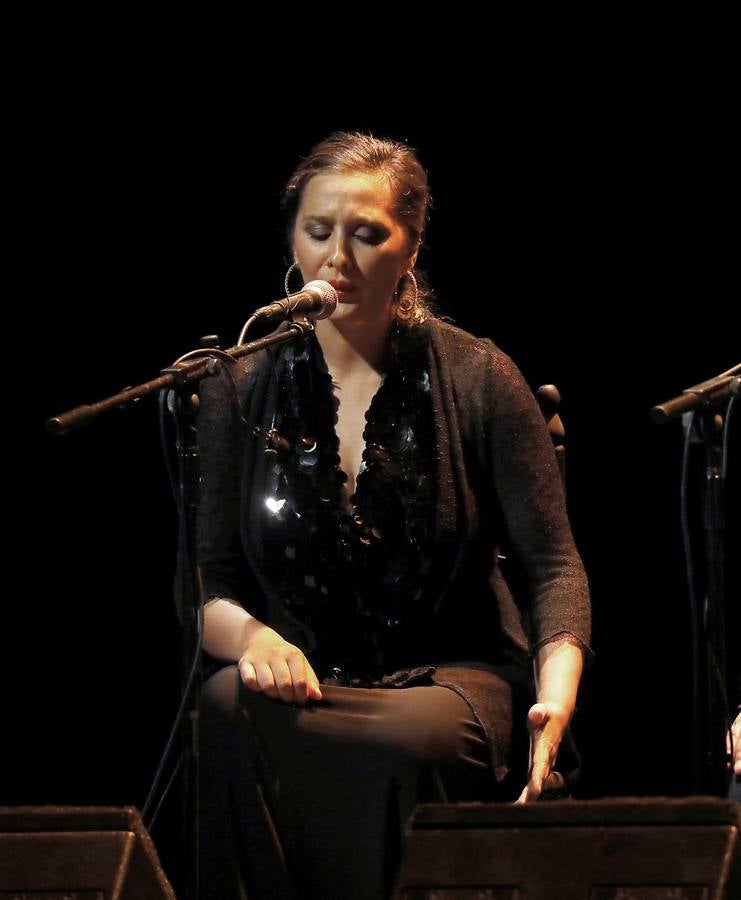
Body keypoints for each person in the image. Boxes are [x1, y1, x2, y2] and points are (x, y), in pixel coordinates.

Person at [194, 131, 592, 900]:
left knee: (408, 739)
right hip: (302, 678)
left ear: (409, 249)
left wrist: (557, 694)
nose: (336, 257)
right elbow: (207, 580)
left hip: (447, 681)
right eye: (317, 231)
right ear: (291, 239)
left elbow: (553, 564)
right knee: (221, 708)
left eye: (366, 233)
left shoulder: (477, 374)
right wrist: (253, 636)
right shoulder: (236, 385)